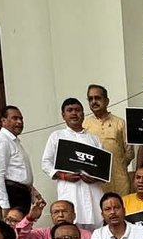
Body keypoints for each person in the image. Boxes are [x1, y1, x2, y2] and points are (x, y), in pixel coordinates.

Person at [42, 97, 107, 229]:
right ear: (63, 115)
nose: (74, 113)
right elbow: (45, 163)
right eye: (69, 110)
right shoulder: (57, 136)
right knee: (71, 227)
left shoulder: (94, 139)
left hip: (93, 191)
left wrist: (95, 178)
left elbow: (103, 168)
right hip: (70, 191)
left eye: (77, 110)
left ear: (83, 114)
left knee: (97, 227)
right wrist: (63, 176)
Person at [0, 105, 35, 222]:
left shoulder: (13, 141)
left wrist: (33, 191)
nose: (19, 122)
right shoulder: (2, 139)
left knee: (23, 232)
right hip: (12, 194)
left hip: (21, 193)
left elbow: (18, 171)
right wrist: (5, 205)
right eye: (14, 118)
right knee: (15, 234)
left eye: (21, 119)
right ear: (3, 121)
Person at [83, 84, 131, 195]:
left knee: (123, 209)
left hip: (119, 179)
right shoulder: (85, 124)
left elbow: (129, 152)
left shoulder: (120, 123)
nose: (94, 101)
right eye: (90, 99)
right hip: (96, 182)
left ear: (107, 101)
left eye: (97, 98)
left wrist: (119, 166)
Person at [13, 198, 90, 239]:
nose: (60, 215)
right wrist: (30, 218)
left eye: (65, 211)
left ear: (74, 215)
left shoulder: (86, 234)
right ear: (52, 216)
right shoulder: (42, 234)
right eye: (56, 212)